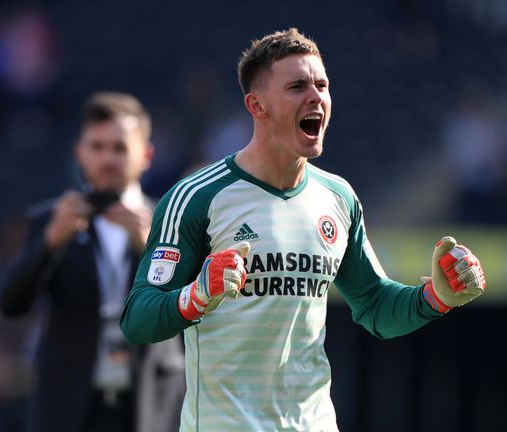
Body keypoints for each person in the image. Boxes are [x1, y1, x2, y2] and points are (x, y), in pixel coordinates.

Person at [119, 29, 486, 431]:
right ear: (257, 105)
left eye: (322, 85)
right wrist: (197, 296)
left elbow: (375, 305)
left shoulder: (338, 197)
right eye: (297, 86)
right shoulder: (196, 196)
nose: (316, 97)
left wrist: (436, 297)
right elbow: (138, 318)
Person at [0, 92, 185, 432]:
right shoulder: (50, 220)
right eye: (97, 147)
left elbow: (194, 313)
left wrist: (152, 249)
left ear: (146, 155)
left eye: (119, 147)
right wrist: (50, 241)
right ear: (79, 153)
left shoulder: (171, 223)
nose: (107, 159)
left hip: (152, 403)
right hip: (68, 405)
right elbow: (11, 304)